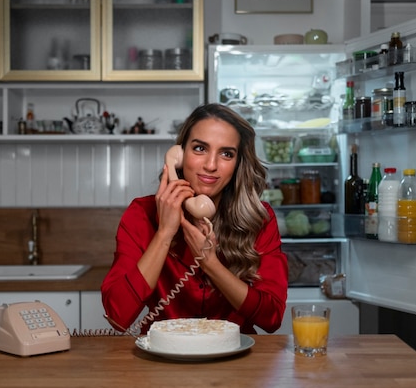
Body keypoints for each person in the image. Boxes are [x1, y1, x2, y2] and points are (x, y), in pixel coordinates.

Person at [101, 103, 288, 334]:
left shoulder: (259, 218)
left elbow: (272, 318)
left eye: (226, 154)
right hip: (161, 359)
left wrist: (210, 263)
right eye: (200, 149)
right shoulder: (141, 214)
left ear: (238, 164)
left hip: (238, 361)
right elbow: (117, 317)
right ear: (178, 155)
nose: (211, 165)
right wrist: (164, 234)